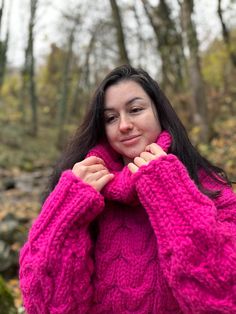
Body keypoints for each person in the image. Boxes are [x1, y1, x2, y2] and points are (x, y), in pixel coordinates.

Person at [19, 65, 236, 314]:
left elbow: (225, 296)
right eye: (110, 118)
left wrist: (170, 190)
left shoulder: (208, 185)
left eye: (135, 110)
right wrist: (67, 206)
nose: (124, 125)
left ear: (159, 113)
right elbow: (42, 305)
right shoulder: (83, 190)